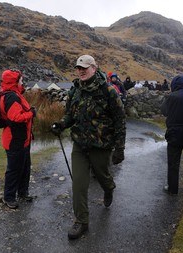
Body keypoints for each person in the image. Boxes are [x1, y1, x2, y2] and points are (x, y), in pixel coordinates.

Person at [51, 55, 126, 240]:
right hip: (79, 145)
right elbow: (70, 115)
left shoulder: (108, 91)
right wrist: (61, 124)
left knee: (103, 177)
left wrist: (120, 147)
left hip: (101, 146)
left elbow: (119, 120)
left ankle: (108, 188)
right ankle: (81, 221)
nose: (81, 71)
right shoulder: (75, 91)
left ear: (94, 68)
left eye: (85, 67)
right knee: (79, 183)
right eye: (78, 68)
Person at [0, 69, 36, 209]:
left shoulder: (15, 94)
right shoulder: (11, 97)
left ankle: (22, 193)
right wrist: (31, 113)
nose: (22, 82)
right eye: (20, 80)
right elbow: (16, 118)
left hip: (22, 140)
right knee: (14, 169)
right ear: (14, 81)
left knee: (25, 167)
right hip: (15, 140)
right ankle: (9, 197)